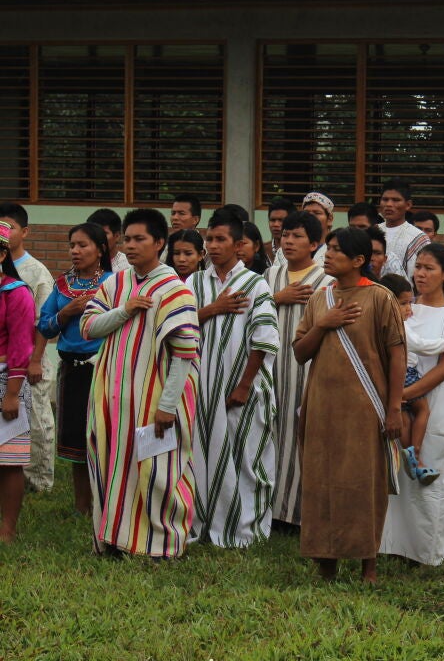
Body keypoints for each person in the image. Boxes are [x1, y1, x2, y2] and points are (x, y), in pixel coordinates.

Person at [80, 208, 200, 558]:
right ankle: (111, 540)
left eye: (139, 239)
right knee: (109, 462)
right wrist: (125, 310)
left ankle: (160, 545)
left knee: (156, 471)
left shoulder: (174, 289)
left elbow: (184, 353)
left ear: (160, 242)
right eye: (127, 239)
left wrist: (167, 406)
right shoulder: (115, 283)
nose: (130, 246)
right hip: (110, 397)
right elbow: (89, 327)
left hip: (153, 401)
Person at [293, 227, 406, 583]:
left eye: (337, 250)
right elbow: (299, 352)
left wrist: (394, 408)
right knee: (321, 481)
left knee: (363, 484)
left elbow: (397, 354)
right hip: (321, 407)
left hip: (365, 409)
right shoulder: (318, 300)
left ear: (359, 260)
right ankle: (325, 562)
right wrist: (323, 324)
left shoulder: (380, 298)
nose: (328, 254)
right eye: (328, 248)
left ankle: (367, 564)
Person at [188, 207, 279, 548]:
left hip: (243, 387)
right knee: (200, 455)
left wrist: (244, 384)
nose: (212, 245)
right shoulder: (195, 281)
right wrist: (211, 310)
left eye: (220, 239)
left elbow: (265, 336)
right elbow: (177, 323)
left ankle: (244, 530)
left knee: (244, 456)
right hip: (201, 385)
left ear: (239, 244)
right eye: (208, 239)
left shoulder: (255, 284)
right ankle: (202, 523)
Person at [380, 243, 444, 565]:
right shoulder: (403, 308)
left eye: (429, 268)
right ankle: (393, 545)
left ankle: (430, 551)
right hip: (397, 403)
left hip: (436, 405)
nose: (420, 273)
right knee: (400, 473)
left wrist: (403, 395)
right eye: (418, 266)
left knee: (431, 476)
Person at [37, 223, 113, 516]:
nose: (75, 251)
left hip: (104, 368)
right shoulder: (61, 286)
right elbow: (44, 325)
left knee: (106, 436)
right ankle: (83, 506)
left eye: (82, 245)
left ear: (100, 249)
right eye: (72, 245)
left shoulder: (113, 283)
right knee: (78, 441)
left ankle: (108, 505)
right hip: (71, 370)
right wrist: (66, 312)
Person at [264, 211, 332, 528]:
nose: (288, 241)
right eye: (286, 234)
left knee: (300, 438)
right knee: (269, 436)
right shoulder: (268, 276)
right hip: (266, 371)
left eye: (298, 236)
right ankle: (268, 509)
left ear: (315, 243)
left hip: (304, 372)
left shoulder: (326, 282)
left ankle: (297, 515)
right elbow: (247, 312)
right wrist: (277, 298)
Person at [0, 202, 55, 494]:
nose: (5, 234)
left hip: (30, 359)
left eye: (10, 228)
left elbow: (42, 321)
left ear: (25, 232)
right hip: (6, 360)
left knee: (37, 418)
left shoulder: (35, 272)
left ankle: (40, 479)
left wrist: (34, 361)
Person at [379, 273, 444, 485]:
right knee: (422, 410)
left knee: (406, 418)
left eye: (410, 303)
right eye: (404, 304)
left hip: (390, 376)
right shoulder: (398, 324)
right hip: (406, 374)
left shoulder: (380, 322)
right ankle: (416, 453)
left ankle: (409, 454)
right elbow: (419, 345)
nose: (409, 309)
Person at [0, 219, 35, 543]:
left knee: (9, 460)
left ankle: (7, 530)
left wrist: (12, 394)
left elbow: (21, 346)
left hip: (5, 380)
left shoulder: (16, 292)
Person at [378, 179, 430, 282]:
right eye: (385, 199)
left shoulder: (419, 238)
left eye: (395, 200)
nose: (389, 204)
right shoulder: (372, 231)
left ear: (408, 205)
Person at [302, 192, 335, 266]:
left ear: (329, 219)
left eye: (317, 213)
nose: (310, 217)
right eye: (306, 213)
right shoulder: (286, 249)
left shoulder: (339, 249)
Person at [266, 197, 297, 266]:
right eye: (272, 220)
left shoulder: (299, 251)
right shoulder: (262, 250)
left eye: (281, 220)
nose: (276, 224)